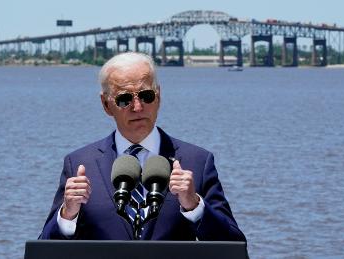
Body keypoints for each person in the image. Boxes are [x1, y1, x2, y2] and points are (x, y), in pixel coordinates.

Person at [39, 52, 246, 241]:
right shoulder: (79, 165)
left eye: (146, 96)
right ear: (106, 104)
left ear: (159, 96)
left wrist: (195, 206)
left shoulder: (198, 162)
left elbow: (235, 246)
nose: (138, 107)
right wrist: (67, 215)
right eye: (124, 99)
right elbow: (43, 251)